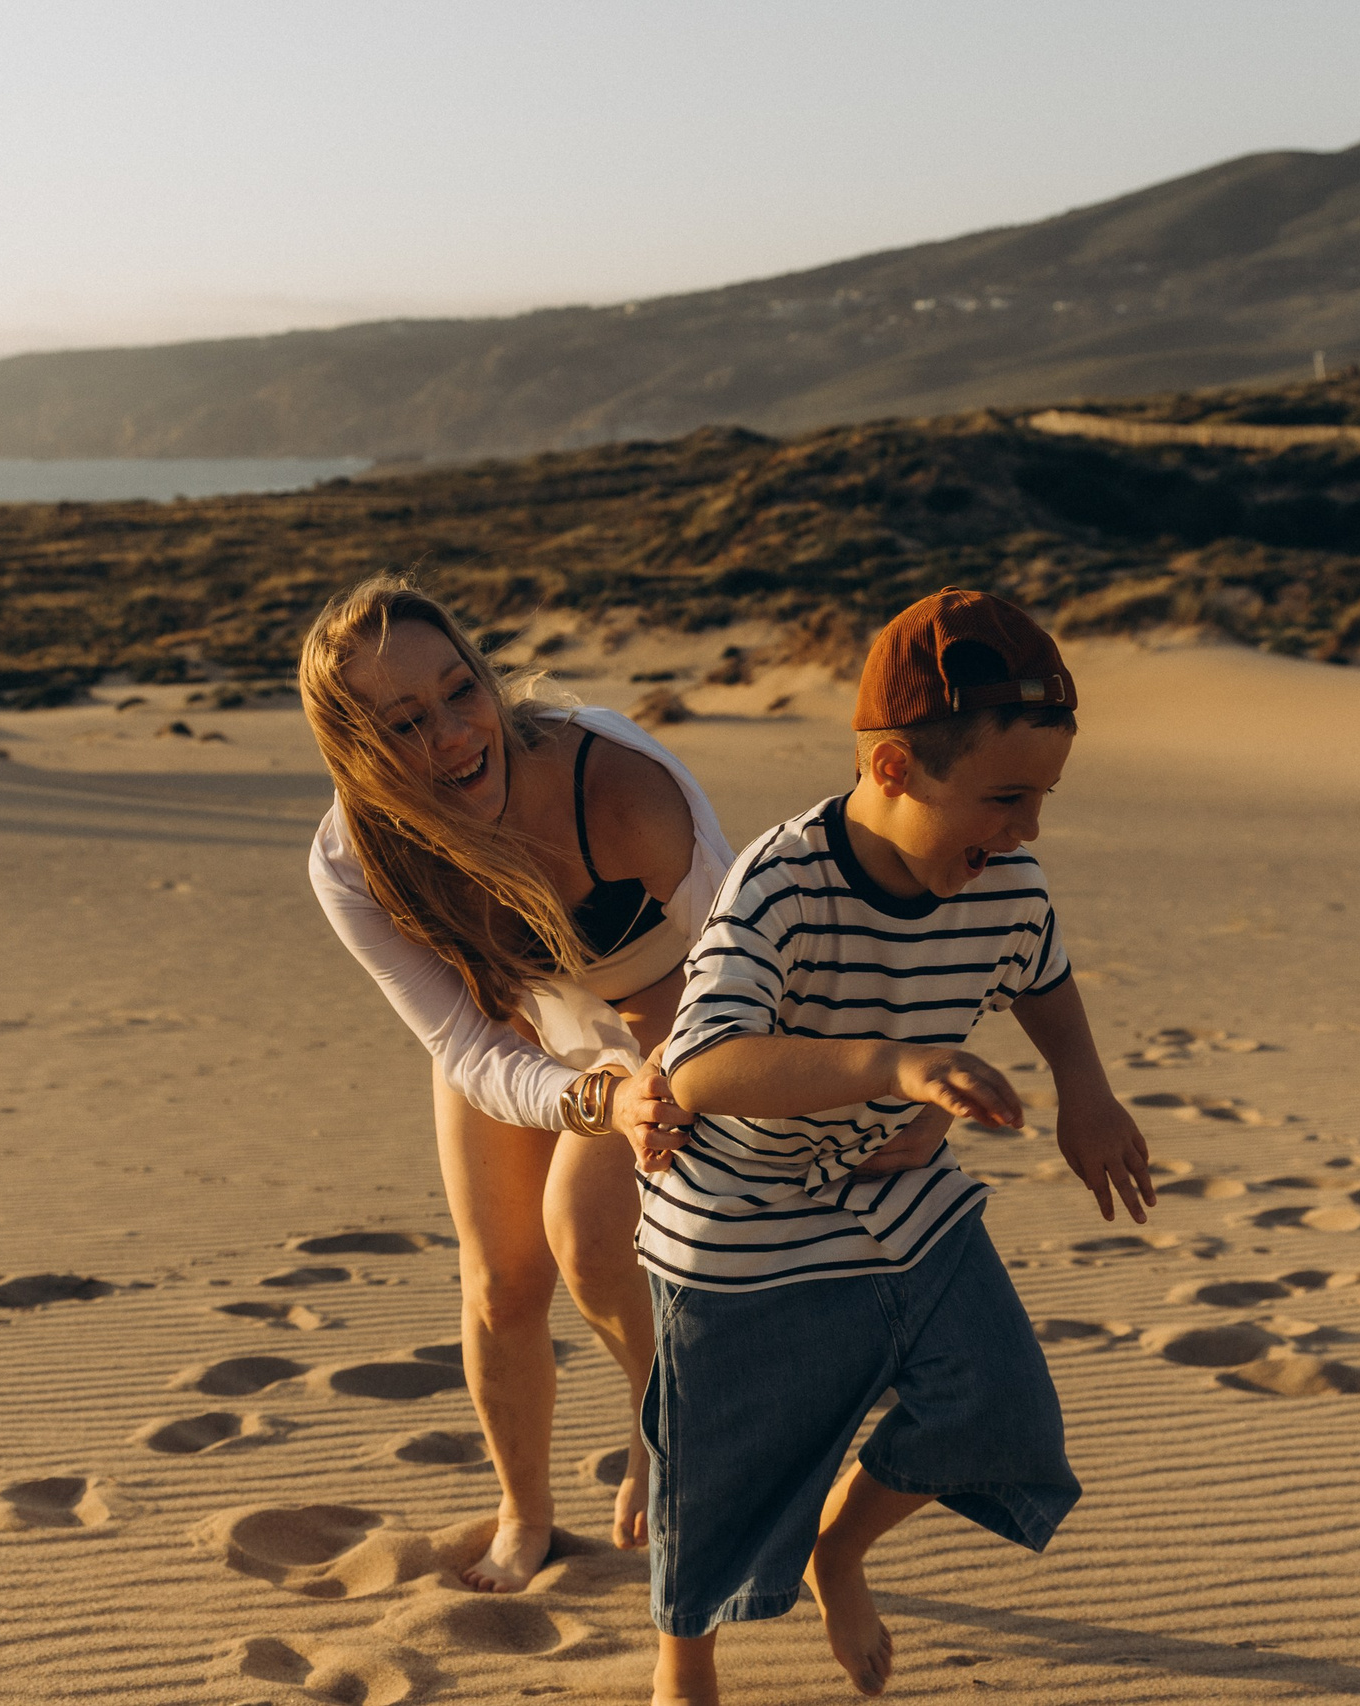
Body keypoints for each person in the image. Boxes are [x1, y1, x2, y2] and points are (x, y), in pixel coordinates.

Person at [644, 588, 1155, 1703]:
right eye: (1004, 796)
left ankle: (839, 1546)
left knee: (1001, 1408)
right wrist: (893, 1065)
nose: (1025, 830)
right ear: (889, 769)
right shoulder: (780, 882)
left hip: (894, 1185)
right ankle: (683, 1659)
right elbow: (702, 1066)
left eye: (1043, 798)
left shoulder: (1004, 881)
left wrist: (1087, 1093)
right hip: (743, 1215)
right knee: (720, 1466)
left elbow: (1044, 977)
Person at [302, 575, 737, 1593]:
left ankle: (662, 1413)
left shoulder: (620, 787)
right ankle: (523, 1512)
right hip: (516, 1012)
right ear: (359, 753)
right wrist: (586, 1096)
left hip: (675, 1004)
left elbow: (744, 961)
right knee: (499, 1277)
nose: (455, 735)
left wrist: (643, 1084)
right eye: (406, 721)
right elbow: (467, 1046)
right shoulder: (353, 862)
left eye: (462, 691)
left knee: (585, 1233)